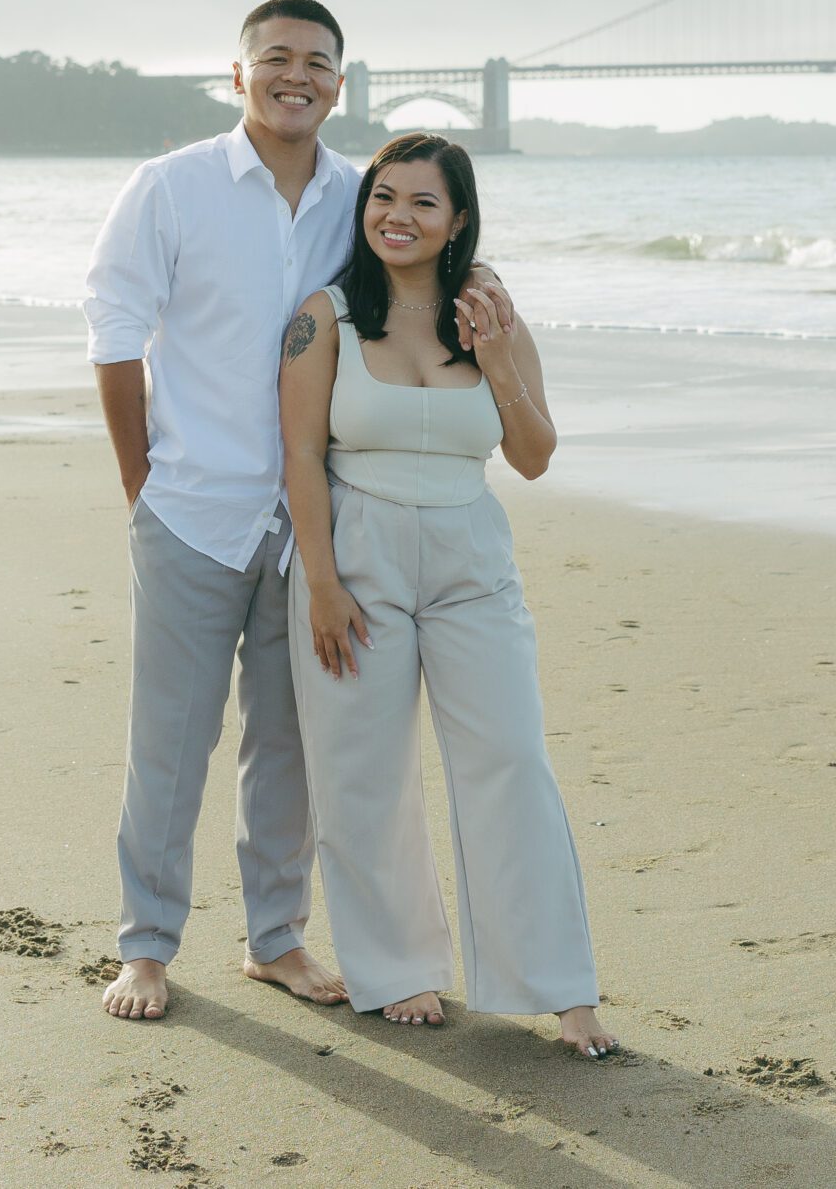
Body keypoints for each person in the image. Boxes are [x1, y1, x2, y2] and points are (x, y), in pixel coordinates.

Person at [81, 0, 514, 1022]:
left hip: (313, 522)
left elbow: (421, 272)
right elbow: (112, 337)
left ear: (339, 83)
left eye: (317, 62)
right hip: (189, 508)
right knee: (170, 742)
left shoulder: (354, 199)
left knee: (288, 743)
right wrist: (142, 488)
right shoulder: (169, 187)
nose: (295, 74)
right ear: (238, 77)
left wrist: (488, 303)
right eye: (274, 57)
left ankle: (274, 936)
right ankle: (146, 943)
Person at [277, 132, 615, 1057]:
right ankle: (398, 970)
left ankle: (559, 986)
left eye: (423, 202)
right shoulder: (326, 315)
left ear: (458, 218)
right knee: (363, 770)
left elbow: (535, 456)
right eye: (384, 195)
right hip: (357, 557)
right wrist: (321, 582)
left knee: (509, 757)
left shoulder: (494, 312)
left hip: (472, 559)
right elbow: (301, 452)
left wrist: (496, 356)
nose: (398, 215)